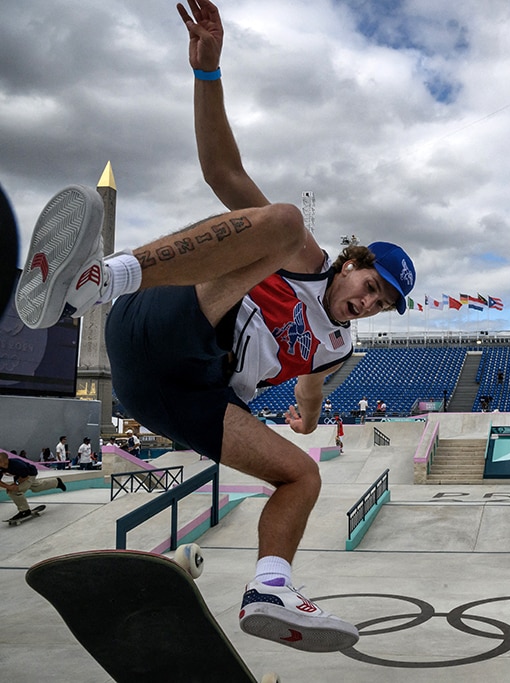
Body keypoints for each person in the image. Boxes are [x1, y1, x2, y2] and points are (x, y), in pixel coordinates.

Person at [13, 0, 415, 653]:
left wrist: (304, 424)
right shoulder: (309, 260)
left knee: (302, 474)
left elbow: (310, 403)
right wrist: (207, 75)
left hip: (179, 397)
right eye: (369, 286)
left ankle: (270, 587)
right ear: (350, 263)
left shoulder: (337, 347)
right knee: (282, 224)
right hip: (160, 325)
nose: (367, 303)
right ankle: (101, 278)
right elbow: (220, 173)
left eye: (380, 304)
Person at [0, 451, 66, 520]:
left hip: (29, 474)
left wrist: (14, 485)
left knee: (14, 491)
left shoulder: (17, 464)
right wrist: (8, 486)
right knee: (36, 488)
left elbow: (25, 477)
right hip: (20, 476)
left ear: (6, 460)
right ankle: (56, 482)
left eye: (2, 462)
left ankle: (24, 511)